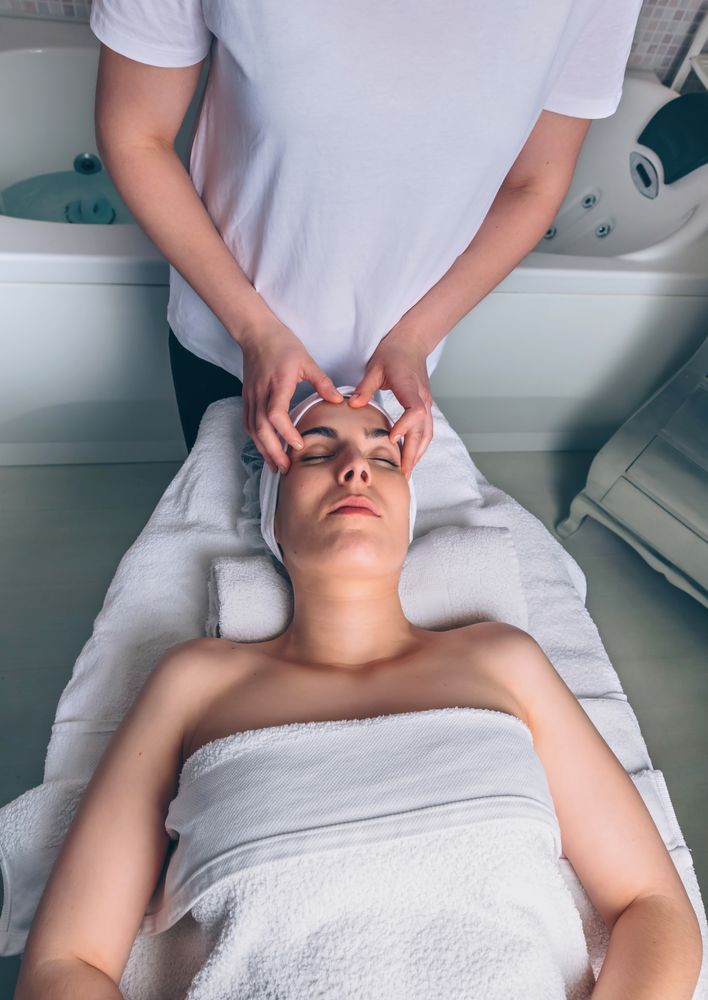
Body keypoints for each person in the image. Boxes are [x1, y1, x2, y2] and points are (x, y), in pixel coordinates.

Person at [15, 393, 702, 999]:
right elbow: (65, 962)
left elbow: (652, 907)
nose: (356, 467)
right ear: (273, 521)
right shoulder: (197, 680)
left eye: (386, 455)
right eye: (317, 452)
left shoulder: (502, 659)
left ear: (406, 511)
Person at [89, 0, 645, 479]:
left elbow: (534, 183)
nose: (352, 473)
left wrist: (416, 338)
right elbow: (136, 135)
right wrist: (253, 330)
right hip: (228, 335)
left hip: (397, 363)